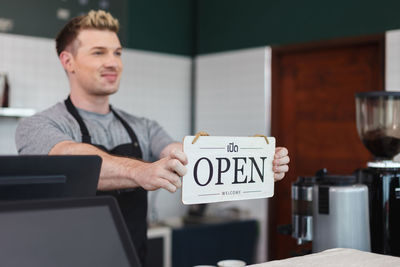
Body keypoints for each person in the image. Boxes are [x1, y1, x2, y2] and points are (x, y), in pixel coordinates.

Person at [15, 10, 290, 266]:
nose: (113, 63)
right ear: (68, 61)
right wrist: (140, 171)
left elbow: (185, 156)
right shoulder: (38, 125)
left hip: (132, 258)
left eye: (118, 53)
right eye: (98, 52)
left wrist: (256, 164)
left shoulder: (143, 127)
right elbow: (69, 160)